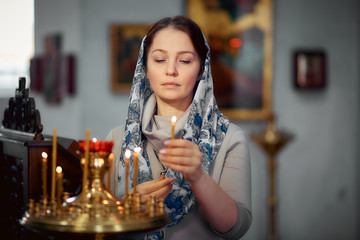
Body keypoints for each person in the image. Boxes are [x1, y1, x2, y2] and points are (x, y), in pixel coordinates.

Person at [106, 16, 251, 240]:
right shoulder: (118, 138)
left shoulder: (228, 138)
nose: (171, 70)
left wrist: (198, 176)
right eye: (160, 59)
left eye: (184, 61)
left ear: (202, 70)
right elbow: (99, 224)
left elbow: (236, 228)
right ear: (144, 68)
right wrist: (125, 209)